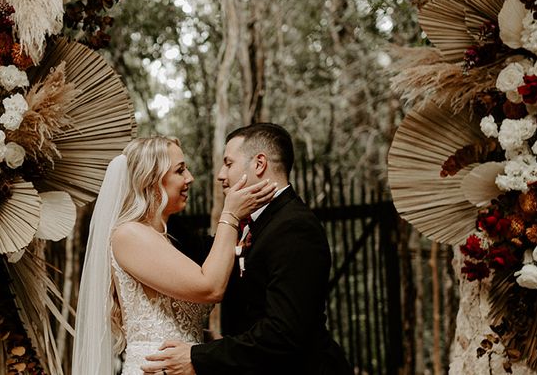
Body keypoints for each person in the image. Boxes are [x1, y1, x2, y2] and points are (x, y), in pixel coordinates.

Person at [142, 123, 352, 375]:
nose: (220, 174)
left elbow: (283, 333)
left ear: (259, 164)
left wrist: (198, 357)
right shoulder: (256, 223)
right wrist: (157, 194)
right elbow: (201, 252)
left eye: (228, 163)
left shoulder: (294, 227)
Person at [72, 136, 277, 375]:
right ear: (151, 180)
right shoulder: (128, 234)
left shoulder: (163, 240)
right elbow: (210, 287)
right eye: (180, 170)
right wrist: (230, 214)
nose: (190, 177)